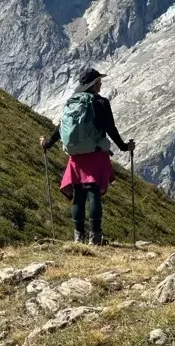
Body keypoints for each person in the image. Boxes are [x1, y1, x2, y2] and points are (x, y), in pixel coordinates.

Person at [40, 68, 135, 245]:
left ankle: (78, 237)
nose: (101, 83)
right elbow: (110, 129)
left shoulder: (71, 103)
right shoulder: (100, 103)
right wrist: (124, 147)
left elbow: (62, 129)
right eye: (99, 81)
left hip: (76, 157)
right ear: (93, 84)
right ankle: (95, 237)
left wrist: (47, 143)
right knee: (94, 194)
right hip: (96, 154)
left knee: (79, 195)